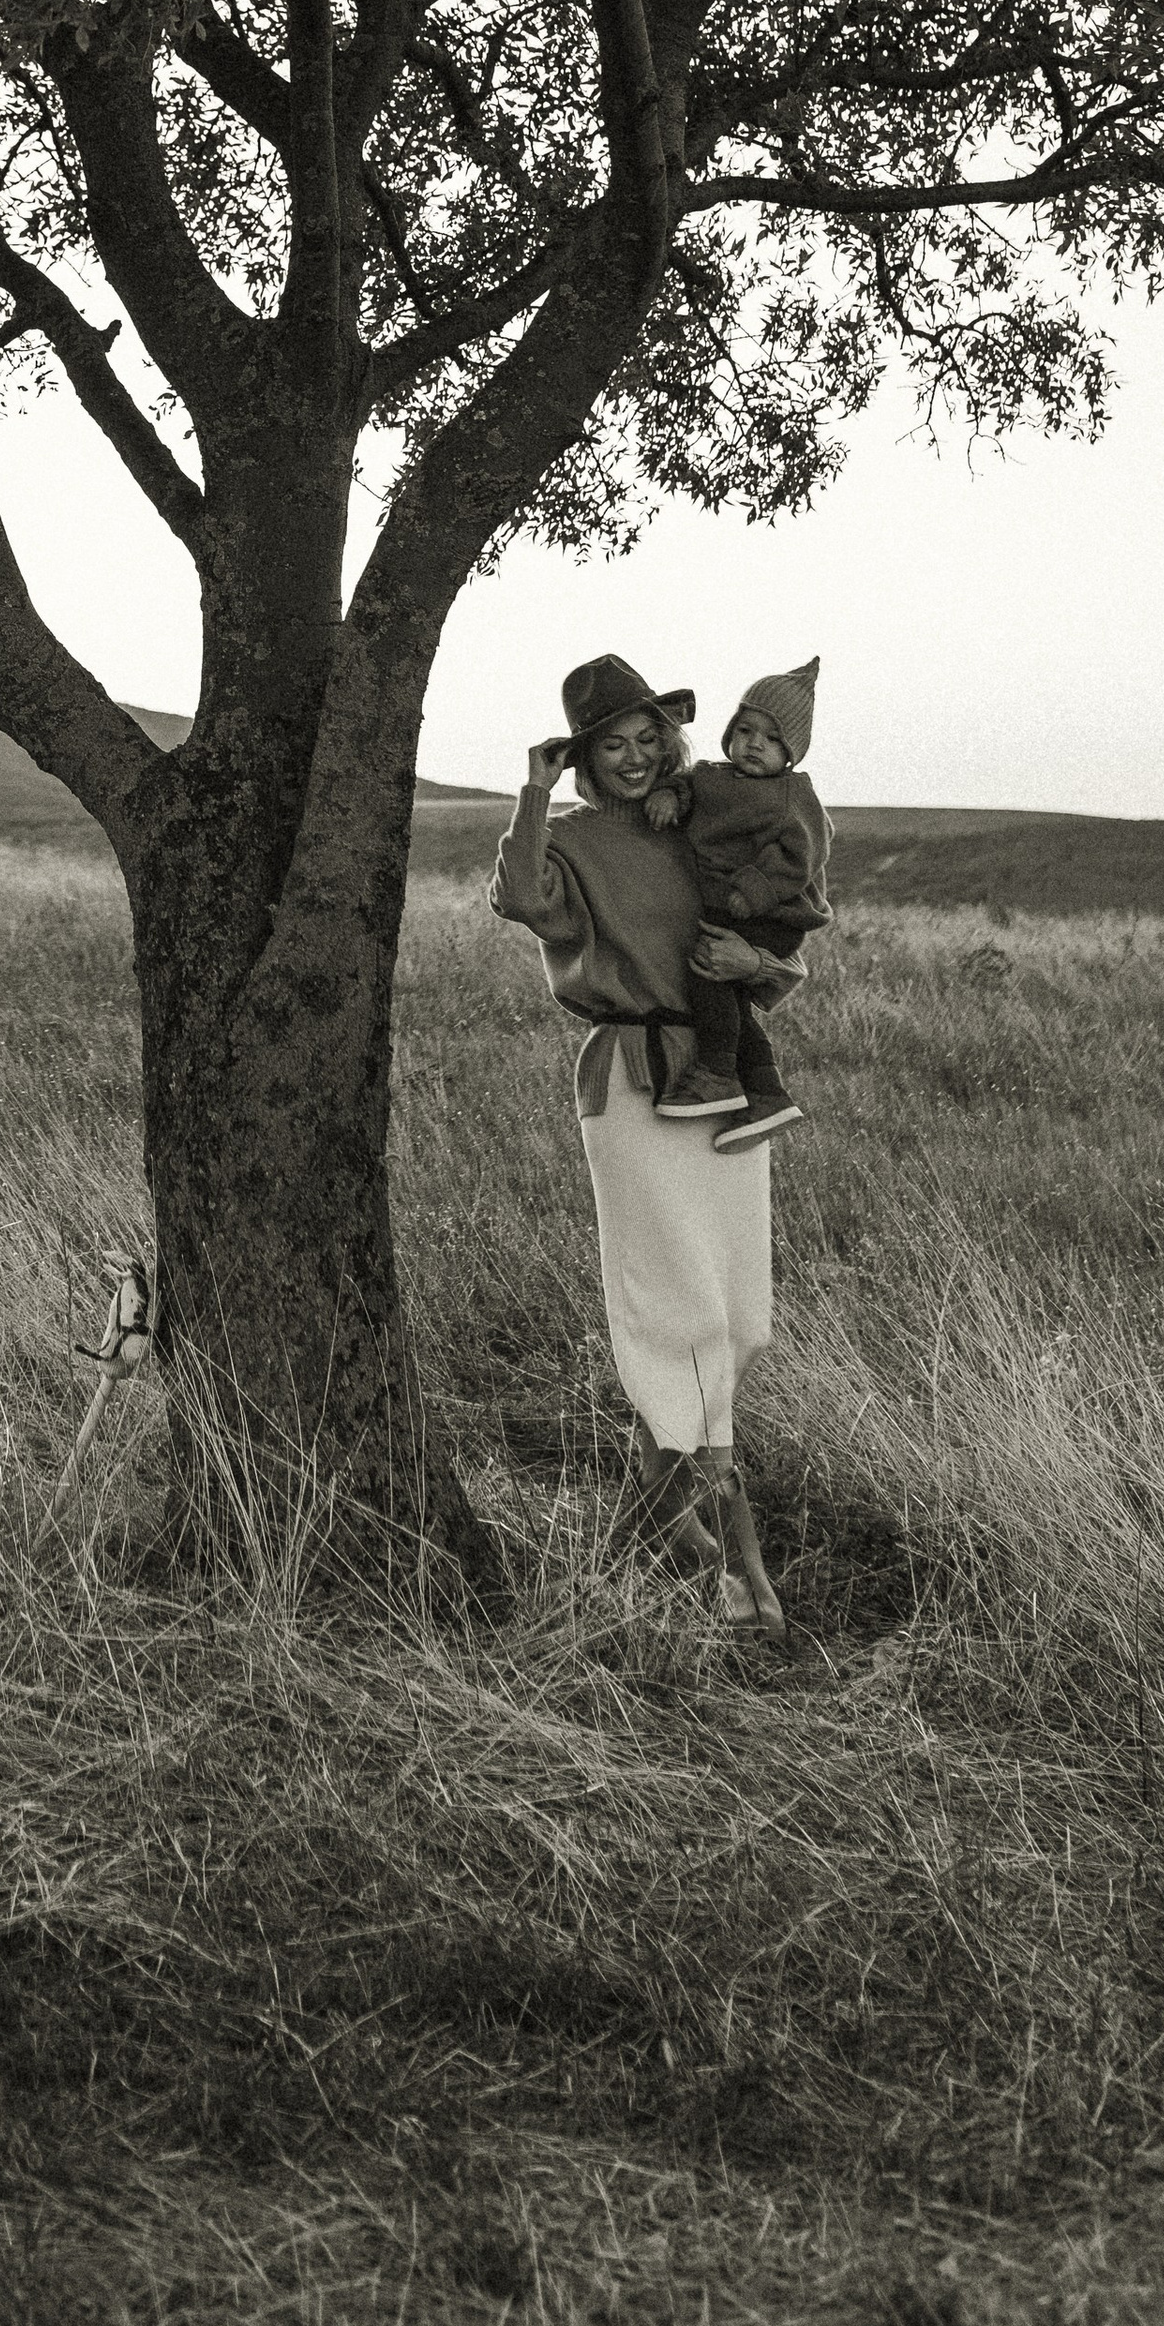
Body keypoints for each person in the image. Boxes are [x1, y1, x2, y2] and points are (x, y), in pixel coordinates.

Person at [488, 651, 800, 1634]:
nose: (632, 758)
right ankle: (728, 1559)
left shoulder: (703, 821)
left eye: (645, 739)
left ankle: (665, 1522)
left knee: (737, 1311)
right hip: (631, 1078)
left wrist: (762, 962)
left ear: (667, 742)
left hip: (728, 1077)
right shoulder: (573, 839)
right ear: (583, 759)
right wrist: (533, 796)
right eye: (609, 745)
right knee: (671, 1309)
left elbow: (776, 949)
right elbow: (521, 901)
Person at [648, 660, 830, 1151]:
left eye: (771, 739)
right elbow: (688, 784)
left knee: (706, 971)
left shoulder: (792, 794)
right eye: (745, 730)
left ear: (791, 752)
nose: (754, 743)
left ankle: (717, 1073)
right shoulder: (711, 777)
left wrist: (752, 889)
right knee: (729, 999)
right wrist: (669, 793)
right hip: (730, 907)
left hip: (773, 912)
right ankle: (767, 1093)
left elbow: (805, 852)